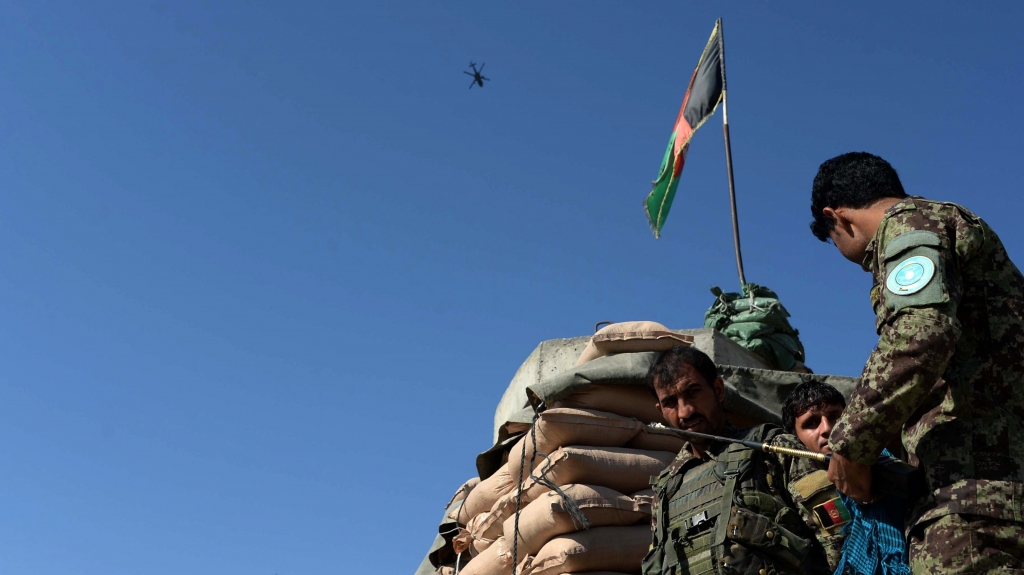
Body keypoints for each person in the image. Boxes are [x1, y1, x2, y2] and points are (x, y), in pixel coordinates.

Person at [809, 151, 1024, 573]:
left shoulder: (909, 224)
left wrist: (850, 445)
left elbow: (920, 335)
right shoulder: (948, 225)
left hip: (972, 500)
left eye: (833, 239)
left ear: (837, 218)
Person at [641, 346, 846, 575]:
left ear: (718, 390)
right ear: (660, 410)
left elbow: (839, 537)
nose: (685, 412)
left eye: (693, 392)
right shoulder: (666, 490)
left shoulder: (773, 449)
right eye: (671, 402)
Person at [783, 381, 910, 575]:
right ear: (794, 438)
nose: (827, 428)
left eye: (835, 417)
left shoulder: (885, 465)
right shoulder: (788, 488)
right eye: (811, 423)